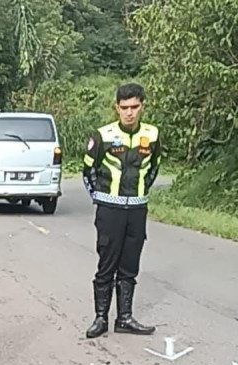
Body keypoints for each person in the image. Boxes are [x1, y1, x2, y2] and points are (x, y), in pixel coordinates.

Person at [82, 82, 161, 339]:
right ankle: (101, 318)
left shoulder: (152, 134)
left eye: (134, 107)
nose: (129, 112)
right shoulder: (102, 135)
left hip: (137, 210)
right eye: (124, 107)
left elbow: (153, 168)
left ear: (142, 107)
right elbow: (88, 171)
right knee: (107, 264)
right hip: (110, 210)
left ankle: (124, 318)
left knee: (130, 266)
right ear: (117, 107)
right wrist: (102, 198)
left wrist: (140, 194)